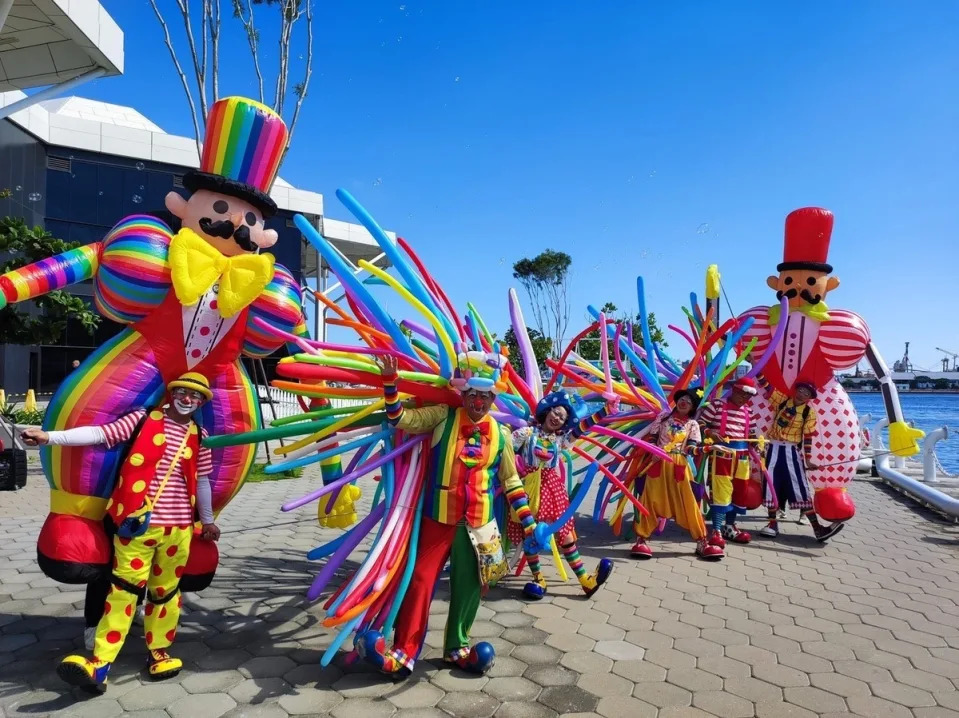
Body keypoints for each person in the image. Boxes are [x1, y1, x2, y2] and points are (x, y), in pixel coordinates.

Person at [22, 372, 220, 694]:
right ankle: (100, 663)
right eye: (183, 392)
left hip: (180, 529)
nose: (188, 400)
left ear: (201, 402)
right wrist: (49, 437)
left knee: (166, 594)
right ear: (172, 393)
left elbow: (203, 482)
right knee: (123, 591)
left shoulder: (200, 435)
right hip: (136, 526)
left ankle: (159, 654)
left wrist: (208, 521)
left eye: (196, 396)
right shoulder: (142, 420)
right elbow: (99, 434)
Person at [355, 353, 539, 679]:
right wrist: (390, 384)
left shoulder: (500, 434)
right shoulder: (443, 416)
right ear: (463, 393)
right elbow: (401, 420)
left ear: (493, 397)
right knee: (420, 582)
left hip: (481, 526)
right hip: (436, 521)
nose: (478, 401)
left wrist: (528, 522)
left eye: (484, 395)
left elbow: (511, 480)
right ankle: (404, 652)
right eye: (472, 394)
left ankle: (458, 647)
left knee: (471, 587)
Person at [509, 390, 616, 600]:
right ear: (547, 411)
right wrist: (516, 466)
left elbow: (582, 428)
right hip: (527, 490)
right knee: (530, 536)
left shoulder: (561, 441)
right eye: (555, 413)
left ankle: (586, 580)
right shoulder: (525, 433)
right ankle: (538, 578)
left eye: (562, 417)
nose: (556, 418)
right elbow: (504, 450)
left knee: (566, 536)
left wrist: (605, 410)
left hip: (553, 491)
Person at [630, 389, 724, 561]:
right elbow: (652, 437)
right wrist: (654, 449)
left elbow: (691, 449)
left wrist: (708, 448)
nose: (684, 402)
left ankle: (702, 541)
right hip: (657, 464)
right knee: (649, 499)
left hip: (680, 466)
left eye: (688, 401)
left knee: (689, 501)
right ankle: (641, 538)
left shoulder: (693, 424)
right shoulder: (664, 416)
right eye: (682, 399)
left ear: (692, 407)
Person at [757, 378, 844, 542]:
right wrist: (755, 364)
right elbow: (767, 387)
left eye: (807, 393)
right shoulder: (782, 401)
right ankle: (772, 524)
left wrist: (809, 459)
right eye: (801, 391)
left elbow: (808, 437)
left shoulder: (808, 412)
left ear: (809, 398)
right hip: (773, 448)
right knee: (771, 485)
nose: (802, 395)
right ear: (795, 391)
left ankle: (817, 529)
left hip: (792, 451)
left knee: (801, 488)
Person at [697, 377, 758, 549]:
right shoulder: (717, 405)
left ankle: (729, 527)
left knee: (740, 492)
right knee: (721, 491)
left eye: (748, 396)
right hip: (722, 456)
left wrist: (756, 442)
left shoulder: (748, 411)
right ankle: (716, 530)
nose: (744, 398)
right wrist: (710, 432)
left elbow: (751, 433)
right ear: (734, 390)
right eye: (742, 394)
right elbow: (700, 424)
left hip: (743, 457)